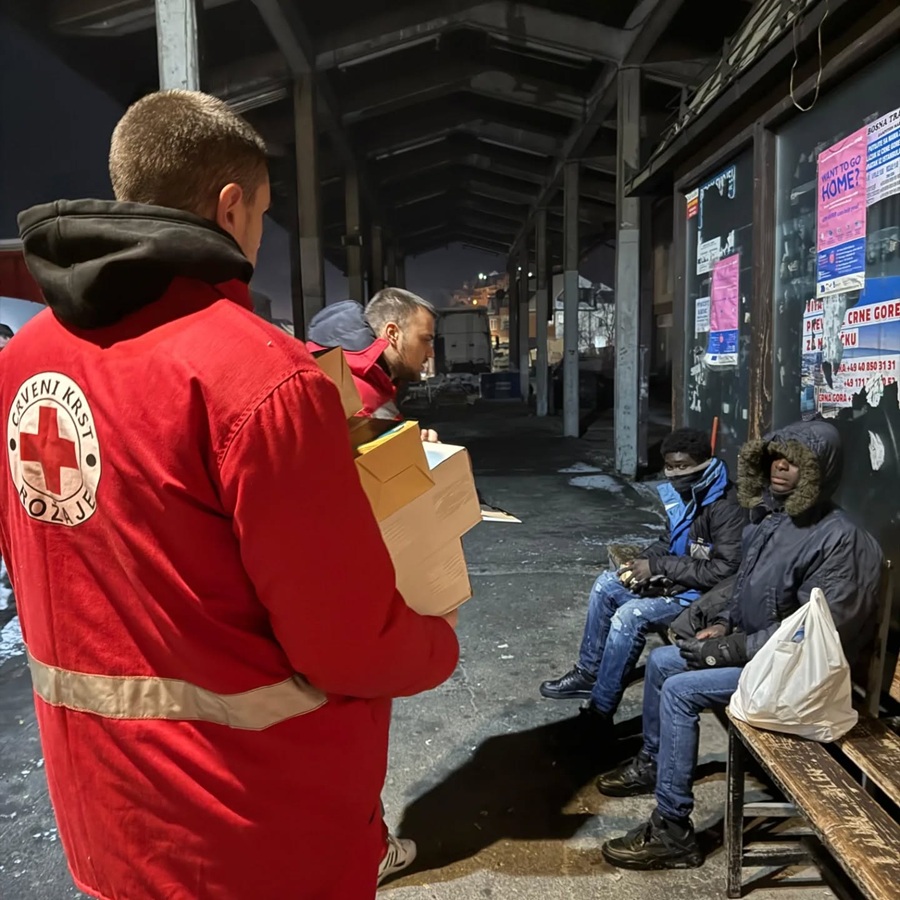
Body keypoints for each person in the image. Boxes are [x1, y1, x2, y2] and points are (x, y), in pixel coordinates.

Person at [0, 90, 460, 900]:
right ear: (230, 205)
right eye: (262, 214)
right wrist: (436, 642)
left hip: (104, 816)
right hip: (252, 831)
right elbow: (344, 639)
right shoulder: (260, 377)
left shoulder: (21, 362)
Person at [599, 418, 882, 871]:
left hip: (799, 677)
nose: (780, 468)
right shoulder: (776, 520)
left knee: (680, 691)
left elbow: (816, 634)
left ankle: (673, 832)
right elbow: (747, 588)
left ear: (819, 471)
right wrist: (721, 623)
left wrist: (730, 649)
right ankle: (653, 763)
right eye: (775, 458)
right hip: (763, 657)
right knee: (663, 662)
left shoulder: (841, 540)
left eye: (795, 462)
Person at [540, 428, 745, 728]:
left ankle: (600, 710)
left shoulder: (725, 506)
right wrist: (642, 564)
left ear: (704, 463)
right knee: (607, 585)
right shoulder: (685, 494)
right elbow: (669, 541)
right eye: (670, 466)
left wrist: (660, 567)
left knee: (629, 616)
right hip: (678, 581)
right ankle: (588, 673)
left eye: (683, 466)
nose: (675, 474)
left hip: (704, 600)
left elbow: (723, 571)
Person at [307, 289, 439, 441]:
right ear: (392, 334)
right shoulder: (359, 397)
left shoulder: (367, 380)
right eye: (425, 339)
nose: (431, 353)